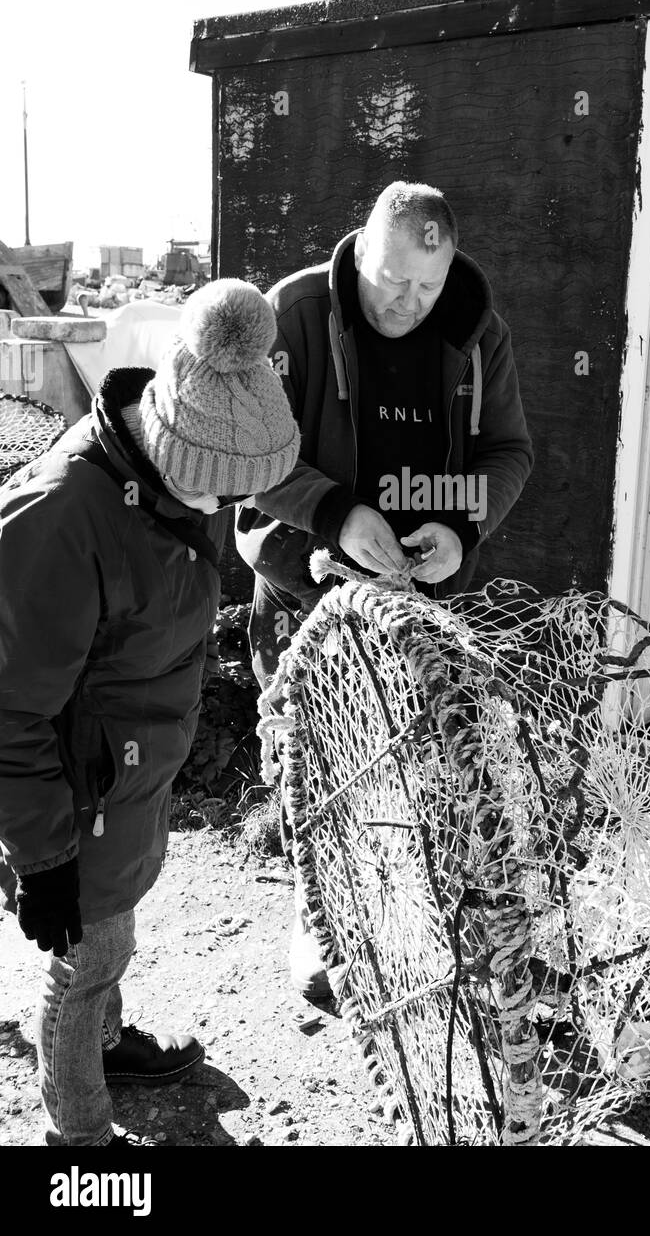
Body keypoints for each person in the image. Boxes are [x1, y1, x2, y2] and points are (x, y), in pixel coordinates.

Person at [0, 280, 299, 1147]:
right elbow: (8, 713)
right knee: (85, 961)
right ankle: (79, 1141)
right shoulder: (58, 521)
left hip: (125, 774)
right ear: (176, 457)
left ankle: (107, 1045)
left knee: (115, 936)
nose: (224, 517)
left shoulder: (177, 471)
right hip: (72, 797)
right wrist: (45, 857)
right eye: (220, 498)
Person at [235, 181, 533, 996]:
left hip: (416, 596)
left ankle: (396, 912)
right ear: (359, 251)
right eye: (392, 281)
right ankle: (317, 922)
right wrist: (332, 510)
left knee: (408, 757)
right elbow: (241, 452)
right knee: (310, 761)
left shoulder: (477, 330)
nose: (408, 303)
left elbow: (509, 453)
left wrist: (463, 527)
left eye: (427, 287)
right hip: (306, 582)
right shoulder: (288, 317)